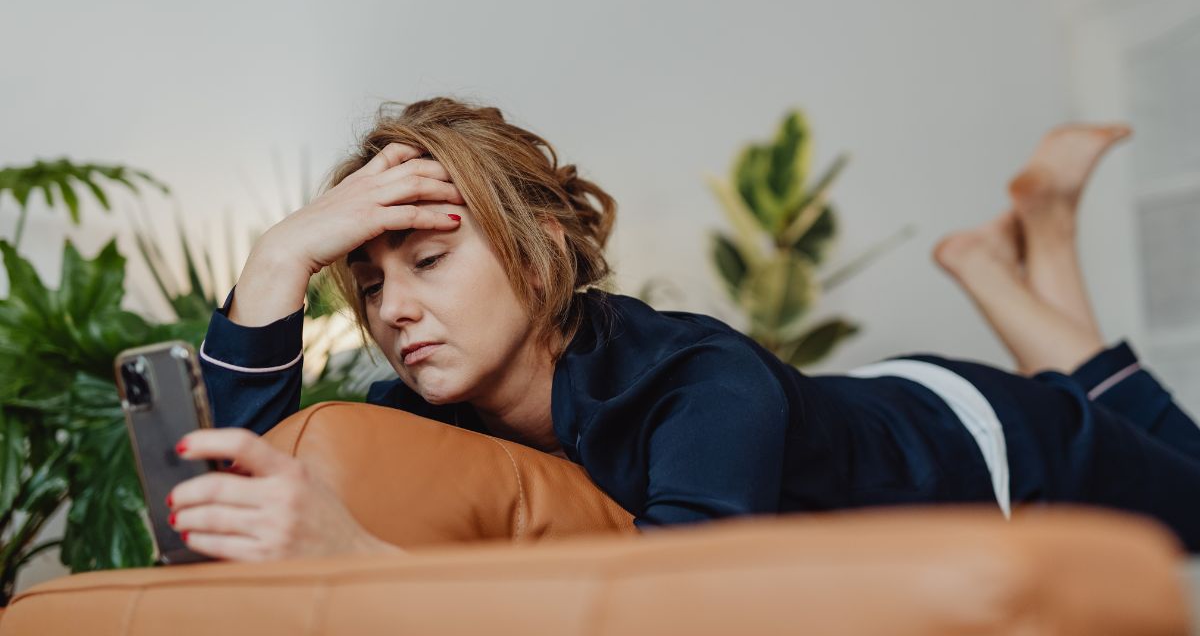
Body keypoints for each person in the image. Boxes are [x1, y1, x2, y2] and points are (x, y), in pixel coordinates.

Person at [166, 99, 1200, 562]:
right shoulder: (420, 412)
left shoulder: (697, 379)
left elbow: (679, 604)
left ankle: (1019, 257)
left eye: (429, 262)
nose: (392, 309)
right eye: (367, 282)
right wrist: (278, 260)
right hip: (860, 403)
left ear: (539, 255)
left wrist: (365, 558)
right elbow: (225, 500)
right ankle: (1020, 252)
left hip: (987, 436)